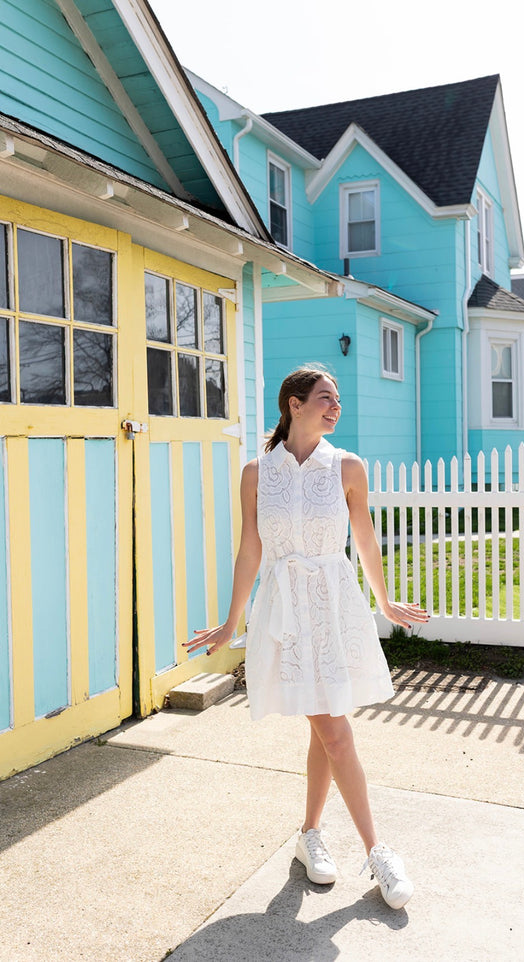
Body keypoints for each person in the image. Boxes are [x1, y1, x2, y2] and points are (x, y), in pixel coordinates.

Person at [184, 365, 429, 910]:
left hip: (332, 607)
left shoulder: (347, 466)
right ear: (294, 404)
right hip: (284, 613)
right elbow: (251, 549)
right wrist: (231, 622)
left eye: (337, 400)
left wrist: (385, 601)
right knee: (333, 730)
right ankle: (377, 850)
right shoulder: (255, 473)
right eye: (325, 398)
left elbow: (363, 538)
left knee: (328, 728)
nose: (335, 407)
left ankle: (313, 836)